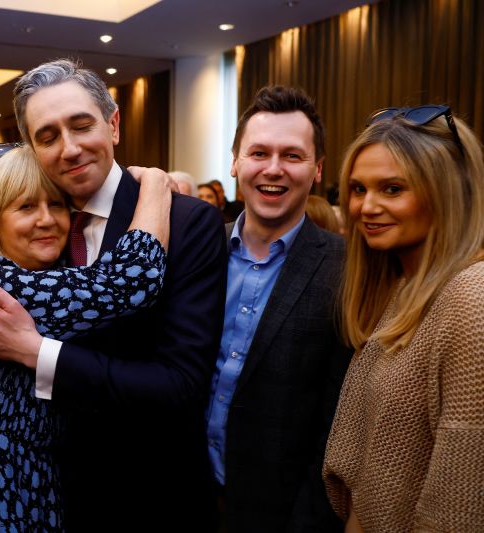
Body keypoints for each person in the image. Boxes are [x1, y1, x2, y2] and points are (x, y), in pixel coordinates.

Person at [0, 59, 226, 530]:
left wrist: (36, 352)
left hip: (148, 494)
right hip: (34, 494)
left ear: (113, 124)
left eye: (81, 125)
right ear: (31, 147)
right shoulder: (28, 225)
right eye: (48, 136)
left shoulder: (184, 220)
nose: (69, 149)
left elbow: (180, 386)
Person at [0, 144, 171, 530]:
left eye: (56, 205)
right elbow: (133, 281)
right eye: (26, 207)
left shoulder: (25, 283)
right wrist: (156, 184)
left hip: (13, 484)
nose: (47, 220)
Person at [323, 105, 484, 532]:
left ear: (448, 191)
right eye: (357, 189)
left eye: (392, 189)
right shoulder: (402, 285)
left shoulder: (472, 298)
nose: (366, 207)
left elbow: (460, 507)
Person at [206, 85, 350, 531]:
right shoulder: (195, 250)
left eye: (292, 155)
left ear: (317, 169)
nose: (273, 169)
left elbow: (337, 422)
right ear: (235, 163)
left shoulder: (347, 270)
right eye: (258, 153)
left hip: (279, 513)